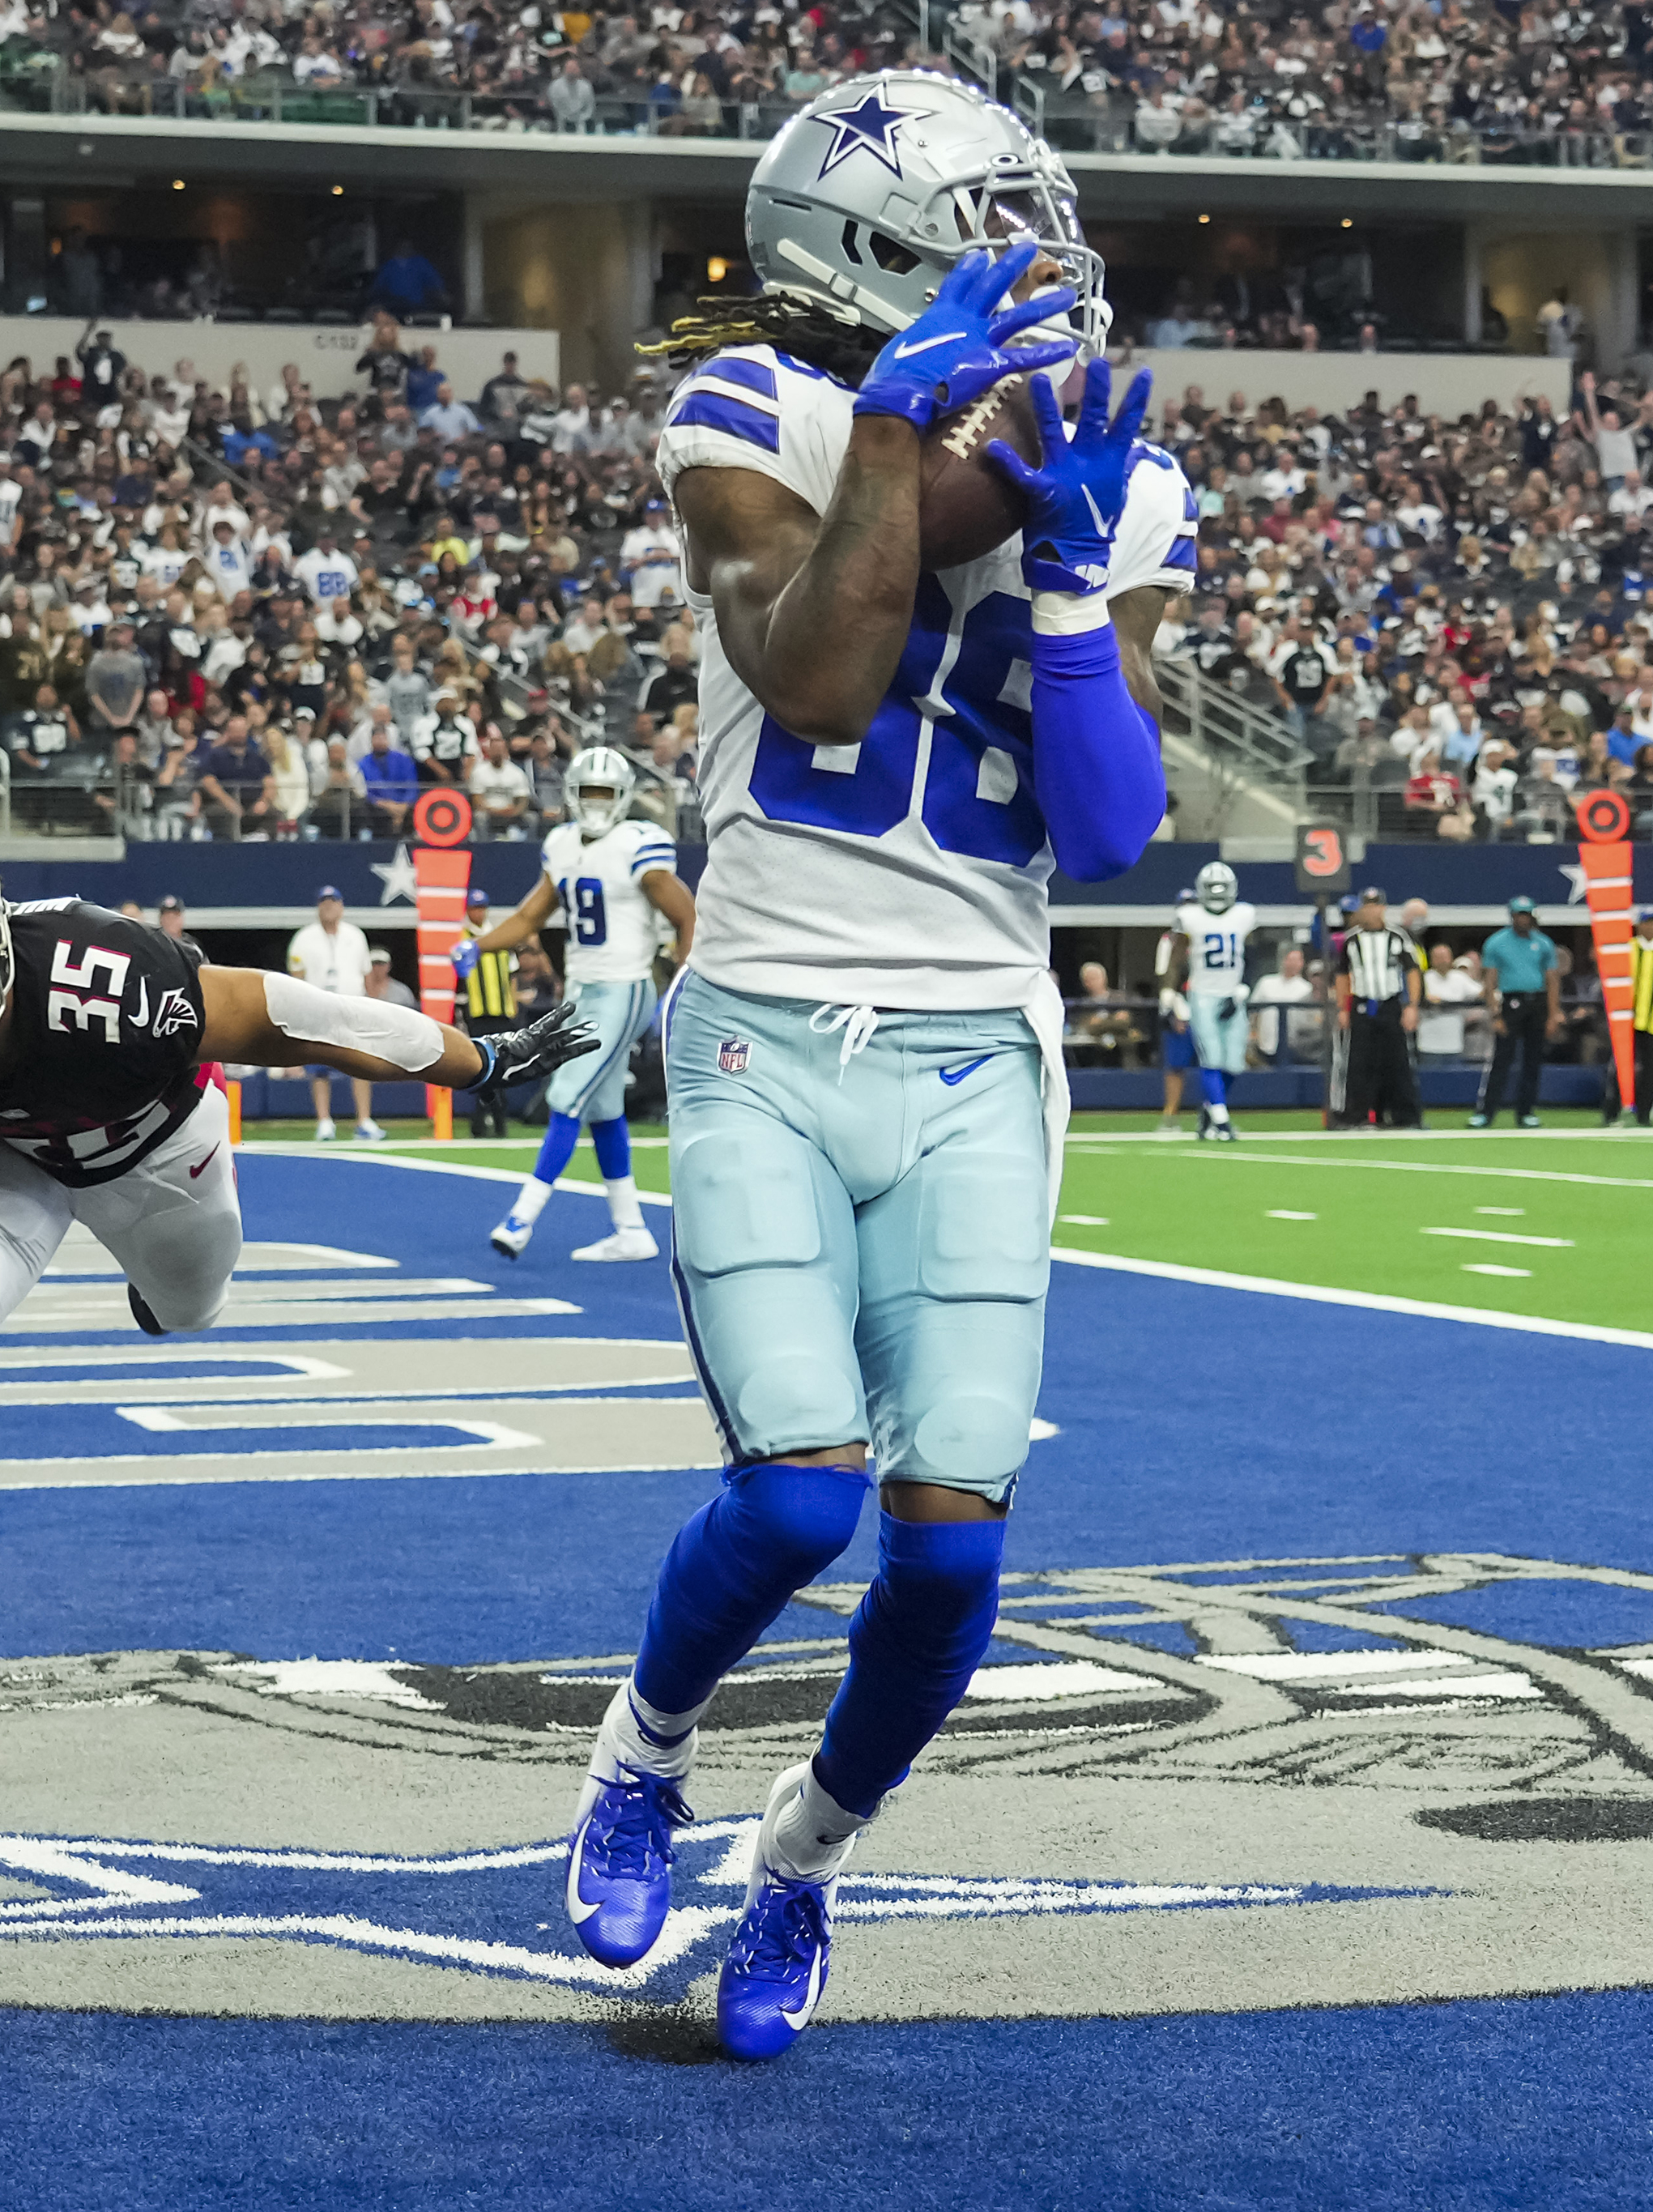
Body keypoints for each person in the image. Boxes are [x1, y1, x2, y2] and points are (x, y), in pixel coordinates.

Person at [561, 75, 1172, 2064]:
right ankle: (641, 1754)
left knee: (952, 1539)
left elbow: (1105, 830)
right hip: (762, 1011)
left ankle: (804, 1871)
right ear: (866, 246)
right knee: (799, 1499)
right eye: (989, 221)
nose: (1039, 259)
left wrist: (1075, 576)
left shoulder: (1112, 469)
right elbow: (818, 672)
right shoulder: (754, 407)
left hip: (983, 1042)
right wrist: (909, 430)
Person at [0, 799, 593, 1756]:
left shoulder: (107, 978)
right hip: (2, 1157)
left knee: (187, 1307)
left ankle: (153, 1285)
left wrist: (477, 1059)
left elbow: (296, 1017)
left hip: (154, 1150)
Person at [460, 748, 694, 1259]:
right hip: (582, 990)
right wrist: (476, 945)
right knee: (604, 1110)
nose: (594, 803)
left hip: (627, 985)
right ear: (570, 793)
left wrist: (682, 979)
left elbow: (686, 914)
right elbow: (529, 918)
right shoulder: (562, 844)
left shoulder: (638, 845)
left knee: (565, 1093)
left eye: (604, 793)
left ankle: (521, 1219)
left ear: (623, 797)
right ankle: (631, 1230)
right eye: (587, 792)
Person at [1159, 860, 1252, 1140]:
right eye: (1213, 887)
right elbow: (1176, 958)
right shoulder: (1190, 917)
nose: (1218, 892)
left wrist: (1244, 987)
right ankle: (1222, 1121)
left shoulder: (1245, 914)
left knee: (1235, 1064)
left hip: (1232, 994)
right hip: (1202, 995)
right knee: (1210, 1058)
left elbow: (1250, 952)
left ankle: (1210, 1109)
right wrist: (1169, 992)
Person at [282, 887, 385, 1141]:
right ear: (318, 907)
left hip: (353, 1006)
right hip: (319, 1008)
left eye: (333, 902)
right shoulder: (304, 938)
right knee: (320, 1068)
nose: (329, 907)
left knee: (360, 1063)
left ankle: (364, 1120)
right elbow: (296, 979)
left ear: (341, 906)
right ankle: (325, 1121)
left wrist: (373, 1007)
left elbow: (366, 973)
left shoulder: (355, 935)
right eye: (324, 903)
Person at [1470, 894, 1561, 1128]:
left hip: (1537, 1002)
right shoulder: (1497, 942)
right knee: (1502, 1060)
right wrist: (1495, 1014)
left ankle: (1526, 1112)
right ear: (1512, 916)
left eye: (1527, 915)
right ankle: (1486, 1113)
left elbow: (1552, 980)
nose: (1523, 919)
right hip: (1511, 1002)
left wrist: (1552, 1014)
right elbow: (1489, 982)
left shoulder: (1543, 943)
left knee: (1533, 1061)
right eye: (1520, 915)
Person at [1336, 887, 1422, 1127]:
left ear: (1383, 908)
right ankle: (1358, 1115)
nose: (1371, 910)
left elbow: (1412, 971)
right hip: (1363, 1004)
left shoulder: (1398, 936)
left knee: (1397, 1061)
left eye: (1376, 906)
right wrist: (1343, 1008)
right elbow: (1342, 975)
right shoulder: (1351, 940)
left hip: (1390, 1003)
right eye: (1367, 906)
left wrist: (1412, 1005)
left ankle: (1405, 1116)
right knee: (1360, 1062)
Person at [453, 884, 523, 1137]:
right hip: (478, 1013)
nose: (478, 912)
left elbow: (513, 973)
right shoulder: (461, 938)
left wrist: (513, 1004)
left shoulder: (499, 936)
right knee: (481, 1067)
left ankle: (499, 1123)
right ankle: (480, 1123)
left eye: (482, 907)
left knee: (502, 1069)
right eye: (474, 908)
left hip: (501, 1012)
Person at [1604, 910, 1653, 1127]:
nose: (1649, 928)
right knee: (1620, 1067)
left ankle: (1644, 1114)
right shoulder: (1628, 948)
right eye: (1646, 924)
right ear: (1639, 926)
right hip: (1628, 1018)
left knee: (1651, 1069)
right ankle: (1612, 1112)